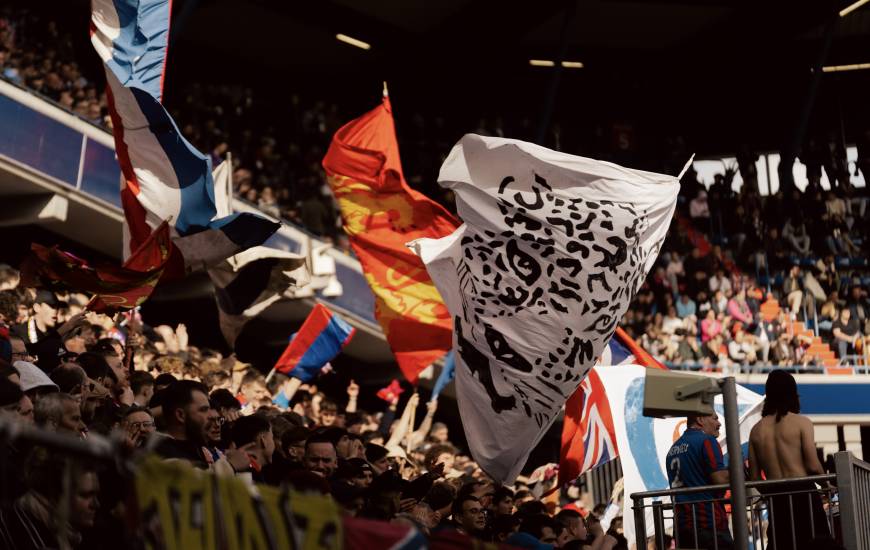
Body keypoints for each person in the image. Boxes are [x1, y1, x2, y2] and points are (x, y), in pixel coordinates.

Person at [749, 371, 830, 549]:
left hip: (777, 499)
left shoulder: (756, 431)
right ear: (793, 393)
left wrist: (771, 491)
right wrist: (827, 487)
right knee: (817, 544)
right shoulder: (802, 423)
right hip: (804, 495)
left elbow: (754, 478)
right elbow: (813, 465)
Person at [665, 413, 732, 549]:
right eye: (715, 418)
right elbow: (720, 479)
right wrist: (739, 471)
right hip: (708, 524)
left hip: (682, 528)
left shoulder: (672, 450)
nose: (719, 424)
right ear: (700, 420)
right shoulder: (707, 441)